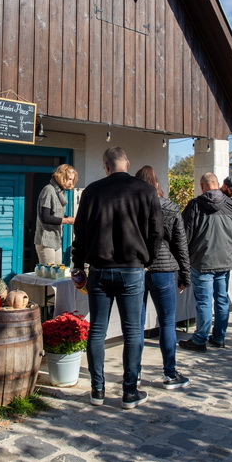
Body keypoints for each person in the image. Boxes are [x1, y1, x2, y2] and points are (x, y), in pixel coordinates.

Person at [71, 147, 163, 409]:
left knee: (97, 330)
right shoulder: (145, 190)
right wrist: (149, 260)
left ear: (105, 165)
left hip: (100, 268)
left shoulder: (92, 191)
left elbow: (81, 232)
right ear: (128, 163)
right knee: (133, 331)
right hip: (132, 267)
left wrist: (78, 265)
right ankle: (129, 392)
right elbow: (157, 231)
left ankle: (97, 390)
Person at [133, 165, 191, 389]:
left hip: (138, 268)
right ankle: (169, 374)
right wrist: (185, 275)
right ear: (156, 183)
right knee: (167, 321)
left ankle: (135, 372)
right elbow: (180, 245)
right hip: (165, 269)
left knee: (136, 324)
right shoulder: (170, 207)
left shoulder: (132, 207)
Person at [178, 172, 232, 352]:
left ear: (202, 186)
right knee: (222, 300)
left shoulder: (195, 206)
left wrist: (181, 264)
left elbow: (185, 237)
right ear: (219, 185)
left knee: (205, 301)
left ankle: (200, 339)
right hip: (224, 261)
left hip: (202, 262)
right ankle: (219, 337)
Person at [34, 164, 77, 265]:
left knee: (58, 273)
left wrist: (71, 218)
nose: (71, 182)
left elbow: (57, 214)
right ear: (61, 176)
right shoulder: (49, 190)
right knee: (49, 275)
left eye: (72, 180)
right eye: (69, 179)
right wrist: (68, 221)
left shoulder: (61, 192)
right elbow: (46, 217)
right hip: (45, 239)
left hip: (56, 239)